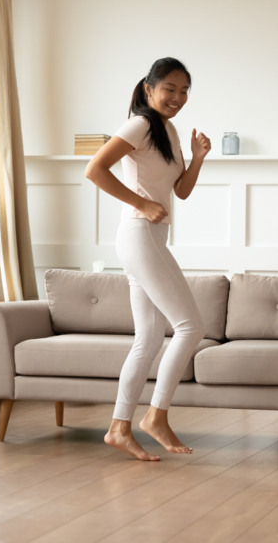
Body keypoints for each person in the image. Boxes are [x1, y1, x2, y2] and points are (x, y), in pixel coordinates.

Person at [84, 58, 212, 461]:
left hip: (148, 238)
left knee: (150, 338)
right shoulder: (139, 124)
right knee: (191, 328)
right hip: (140, 235)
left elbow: (181, 192)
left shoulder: (168, 130)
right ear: (148, 89)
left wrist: (197, 158)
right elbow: (95, 169)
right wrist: (141, 202)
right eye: (170, 88)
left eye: (184, 90)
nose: (178, 97)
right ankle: (155, 416)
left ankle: (119, 427)